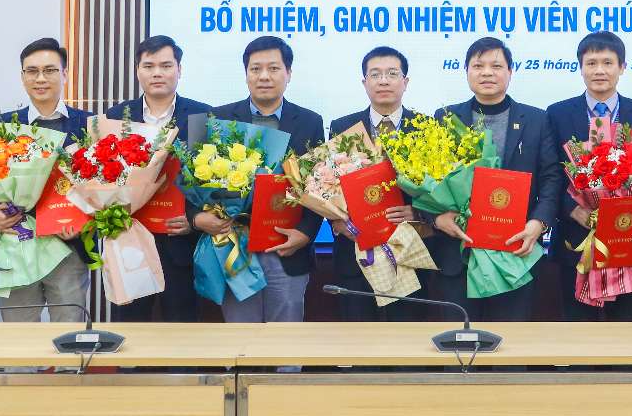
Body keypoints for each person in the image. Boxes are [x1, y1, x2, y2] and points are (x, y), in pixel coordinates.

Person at [428, 37, 562, 321]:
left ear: (510, 72)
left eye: (496, 66)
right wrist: (437, 219)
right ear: (466, 71)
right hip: (458, 255)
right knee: (459, 343)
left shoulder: (537, 120)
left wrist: (538, 224)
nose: (487, 72)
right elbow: (426, 180)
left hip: (515, 251)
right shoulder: (445, 118)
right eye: (478, 66)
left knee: (510, 343)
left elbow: (552, 179)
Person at [0, 38, 93, 322]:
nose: (40, 78)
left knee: (69, 334)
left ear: (64, 74)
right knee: (19, 338)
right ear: (23, 77)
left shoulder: (90, 124)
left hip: (69, 249)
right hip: (17, 245)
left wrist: (85, 222)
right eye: (32, 71)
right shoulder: (1, 124)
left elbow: (104, 188)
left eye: (50, 70)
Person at [547, 32, 632, 320]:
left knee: (628, 334)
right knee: (579, 335)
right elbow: (550, 176)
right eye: (591, 63)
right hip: (576, 243)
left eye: (608, 63)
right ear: (580, 67)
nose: (599, 70)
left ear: (622, 67)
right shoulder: (556, 114)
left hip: (630, 242)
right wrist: (572, 210)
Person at [211, 36, 323, 322]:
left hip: (287, 248)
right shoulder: (220, 118)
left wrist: (305, 234)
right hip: (235, 249)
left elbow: (319, 186)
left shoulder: (310, 121)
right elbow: (201, 184)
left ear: (289, 73)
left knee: (285, 338)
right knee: (242, 337)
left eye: (273, 68)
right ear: (246, 74)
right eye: (255, 69)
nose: (264, 76)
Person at [105, 35, 210, 321]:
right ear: (137, 70)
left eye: (166, 66)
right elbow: (104, 177)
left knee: (181, 325)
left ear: (179, 69)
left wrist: (193, 219)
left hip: (180, 239)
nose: (157, 73)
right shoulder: (116, 116)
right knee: (131, 325)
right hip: (130, 239)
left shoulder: (201, 116)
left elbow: (210, 180)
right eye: (148, 66)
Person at [328, 46, 421, 320]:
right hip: (356, 254)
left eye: (392, 74)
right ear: (364, 82)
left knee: (406, 339)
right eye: (375, 74)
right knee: (356, 339)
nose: (383, 81)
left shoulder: (425, 127)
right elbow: (326, 185)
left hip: (408, 254)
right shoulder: (343, 126)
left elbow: (438, 191)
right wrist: (337, 221)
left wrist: (418, 213)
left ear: (405, 81)